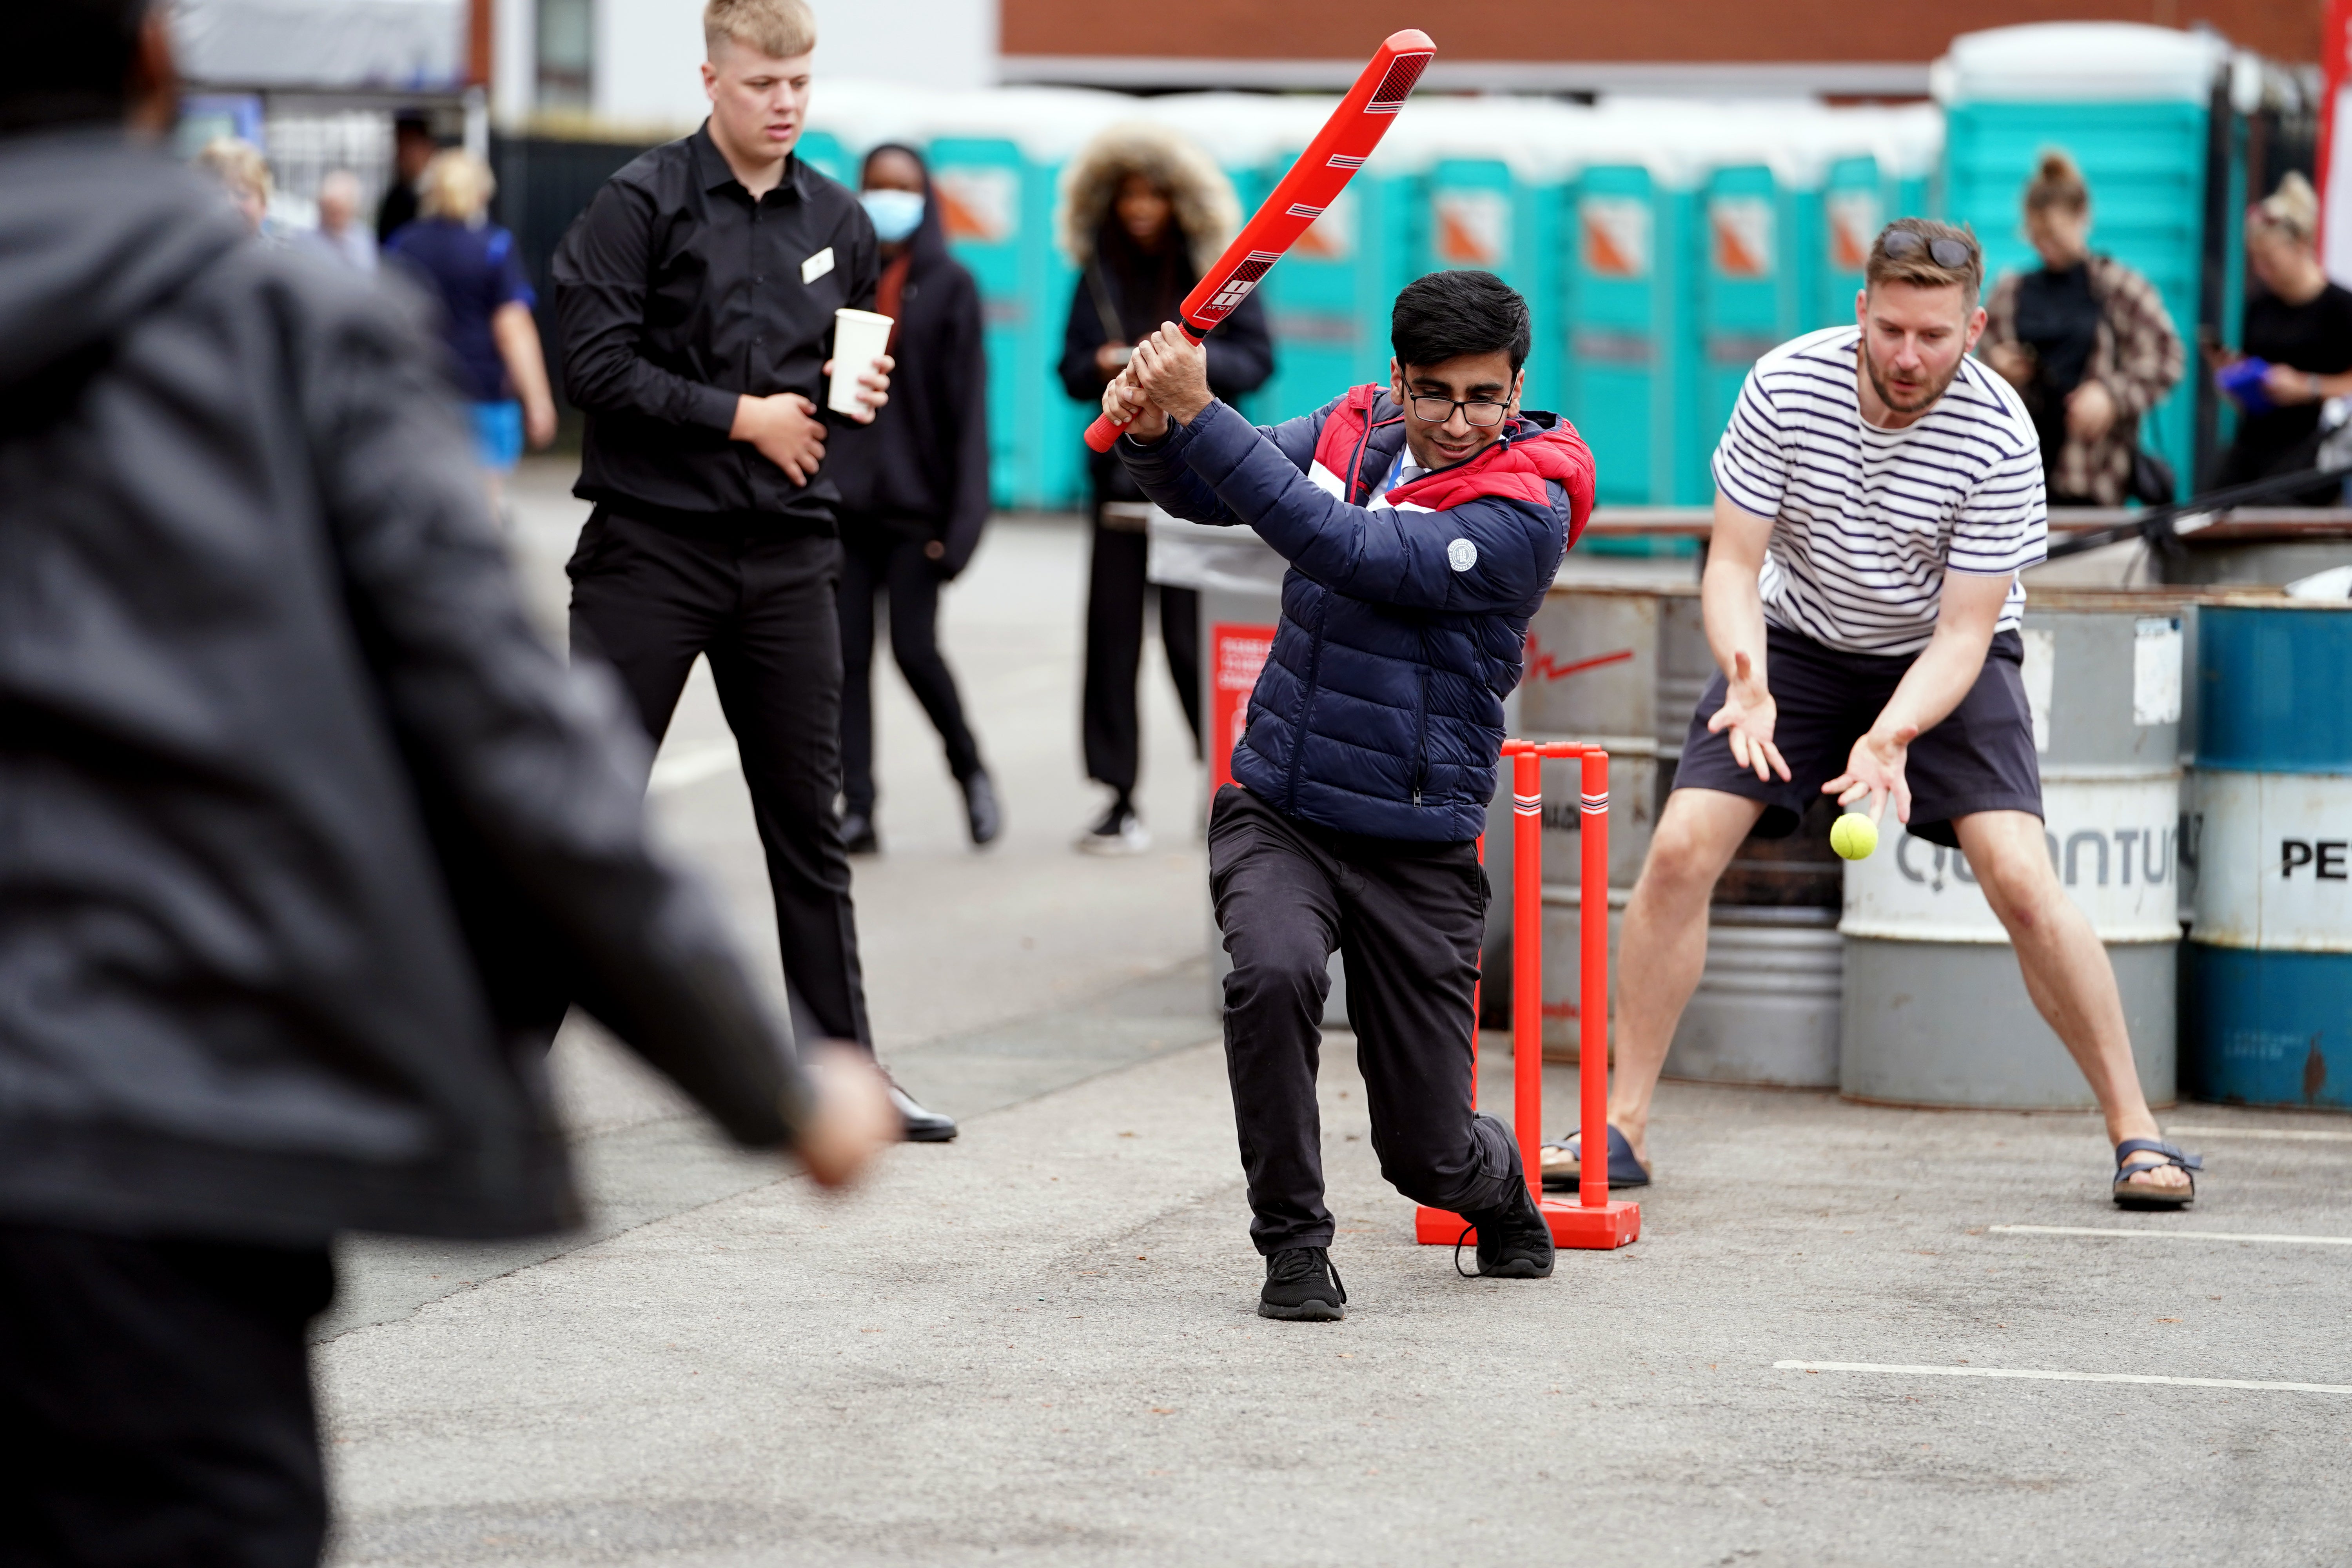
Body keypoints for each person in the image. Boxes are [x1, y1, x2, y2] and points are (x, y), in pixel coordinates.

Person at [0, 2, 897, 1560]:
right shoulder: (276, 322)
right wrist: (763, 1082)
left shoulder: (824, 220)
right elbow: (503, 748)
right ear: (155, 65)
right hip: (162, 1142)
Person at [1555, 220, 2203, 1210]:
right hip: (1796, 646)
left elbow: (1963, 632)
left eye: (1934, 336)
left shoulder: (1999, 432)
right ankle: (1620, 1125)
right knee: (1683, 847)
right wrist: (1745, 676)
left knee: (2022, 881)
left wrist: (1892, 731)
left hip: (1943, 660)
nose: (1908, 357)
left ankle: (2138, 1131)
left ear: (1975, 327)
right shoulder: (1784, 384)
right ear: (1862, 309)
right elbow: (1730, 565)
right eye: (1891, 329)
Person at [1105, 270, 1595, 1320]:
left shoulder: (1527, 505)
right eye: (1434, 394)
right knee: (1272, 979)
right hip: (1281, 804)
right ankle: (1293, 1248)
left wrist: (1201, 408)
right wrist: (1153, 431)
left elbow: (1354, 550)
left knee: (1425, 1155)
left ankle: (1497, 1188)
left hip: (1417, 845)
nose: (1459, 421)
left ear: (1518, 388)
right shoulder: (1354, 430)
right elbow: (1213, 485)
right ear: (1395, 379)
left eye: (1484, 396)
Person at [551, 0, 956, 1142]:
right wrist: (742, 418)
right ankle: (492, 1083)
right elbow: (594, 365)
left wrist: (847, 395)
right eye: (762, 82)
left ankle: (849, 1076)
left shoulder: (836, 216)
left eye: (799, 82)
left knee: (807, 827)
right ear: (711, 78)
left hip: (787, 556)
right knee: (578, 818)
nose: (784, 102)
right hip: (649, 550)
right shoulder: (638, 204)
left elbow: (836, 374)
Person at [1057, 123, 1273, 855]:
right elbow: (1066, 368)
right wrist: (1110, 362)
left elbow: (1257, 361)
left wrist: (1185, 370)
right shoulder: (1094, 273)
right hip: (1117, 485)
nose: (1142, 208)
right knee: (1111, 644)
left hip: (1200, 482)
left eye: (1154, 195)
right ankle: (1117, 798)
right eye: (1129, 196)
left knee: (1194, 644)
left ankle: (1223, 784)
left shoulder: (1218, 273)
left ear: (1179, 202)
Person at [827, 143, 999, 855]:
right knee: (844, 659)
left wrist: (961, 527)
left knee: (914, 650)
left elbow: (968, 415)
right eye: (874, 187)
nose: (886, 200)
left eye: (900, 188)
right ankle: (858, 807)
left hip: (917, 512)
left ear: (924, 196)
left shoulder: (951, 283)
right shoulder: (839, 275)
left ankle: (970, 769)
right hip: (843, 504)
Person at [1979, 150, 2183, 506]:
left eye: (2055, 236)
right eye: (2037, 237)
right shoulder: (2010, 292)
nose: (2046, 248)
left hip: (2090, 476)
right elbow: (1978, 372)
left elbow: (2168, 358)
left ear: (2082, 218)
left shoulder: (2117, 288)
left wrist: (2110, 395)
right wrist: (2000, 369)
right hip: (2016, 475)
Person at [384, 149, 557, 507]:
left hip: (420, 389)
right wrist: (538, 400)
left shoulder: (402, 245)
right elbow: (513, 330)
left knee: (422, 499)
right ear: (480, 193)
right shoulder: (494, 247)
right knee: (483, 501)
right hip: (483, 391)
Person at [2213, 173, 2352, 502]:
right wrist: (2235, 378)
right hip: (2255, 442)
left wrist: (2307, 387)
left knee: (2271, 506)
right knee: (2206, 508)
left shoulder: (2340, 307)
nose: (2262, 271)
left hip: (2314, 449)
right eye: (2256, 261)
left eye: (2271, 261)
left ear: (2301, 245)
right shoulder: (2260, 306)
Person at [193, 133, 270, 235]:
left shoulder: (278, 251)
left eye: (242, 195)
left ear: (263, 206)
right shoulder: (174, 249)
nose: (232, 203)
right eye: (220, 194)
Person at [303, 166, 377, 272]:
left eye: (338, 212)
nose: (332, 218)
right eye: (328, 210)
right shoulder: (307, 240)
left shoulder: (362, 240)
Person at [376, 108, 433, 242]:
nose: (401, 155)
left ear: (427, 147)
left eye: (409, 146)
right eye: (399, 147)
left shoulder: (440, 190)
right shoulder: (397, 196)